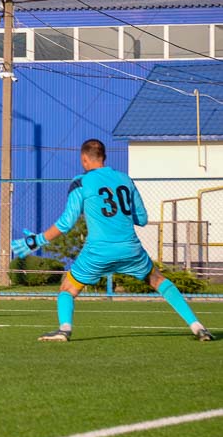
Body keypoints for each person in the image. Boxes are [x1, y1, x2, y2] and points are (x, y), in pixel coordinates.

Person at [11, 139, 215, 342]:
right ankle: (198, 327)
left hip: (98, 251)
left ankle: (64, 330)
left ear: (84, 159)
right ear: (104, 157)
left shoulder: (81, 182)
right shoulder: (125, 179)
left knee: (68, 288)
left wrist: (35, 241)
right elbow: (142, 219)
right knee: (159, 281)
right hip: (130, 249)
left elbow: (66, 223)